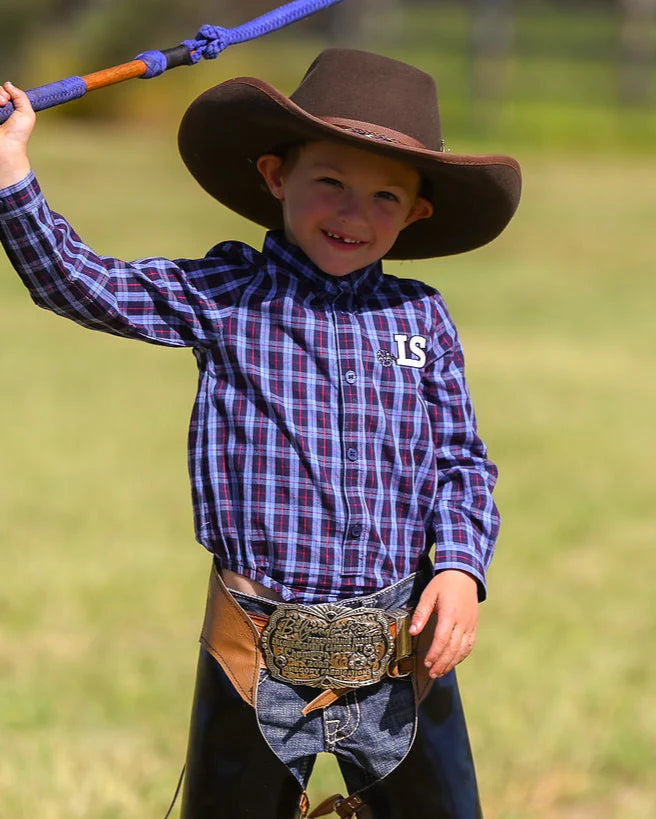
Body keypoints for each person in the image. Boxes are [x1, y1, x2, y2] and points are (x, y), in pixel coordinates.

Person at [0, 49, 521, 819]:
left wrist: (461, 571)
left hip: (399, 647)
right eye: (331, 184)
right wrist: (11, 172)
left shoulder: (422, 320)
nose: (353, 214)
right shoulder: (226, 296)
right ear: (277, 176)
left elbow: (462, 462)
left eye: (385, 196)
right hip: (255, 642)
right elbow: (79, 283)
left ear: (416, 213)